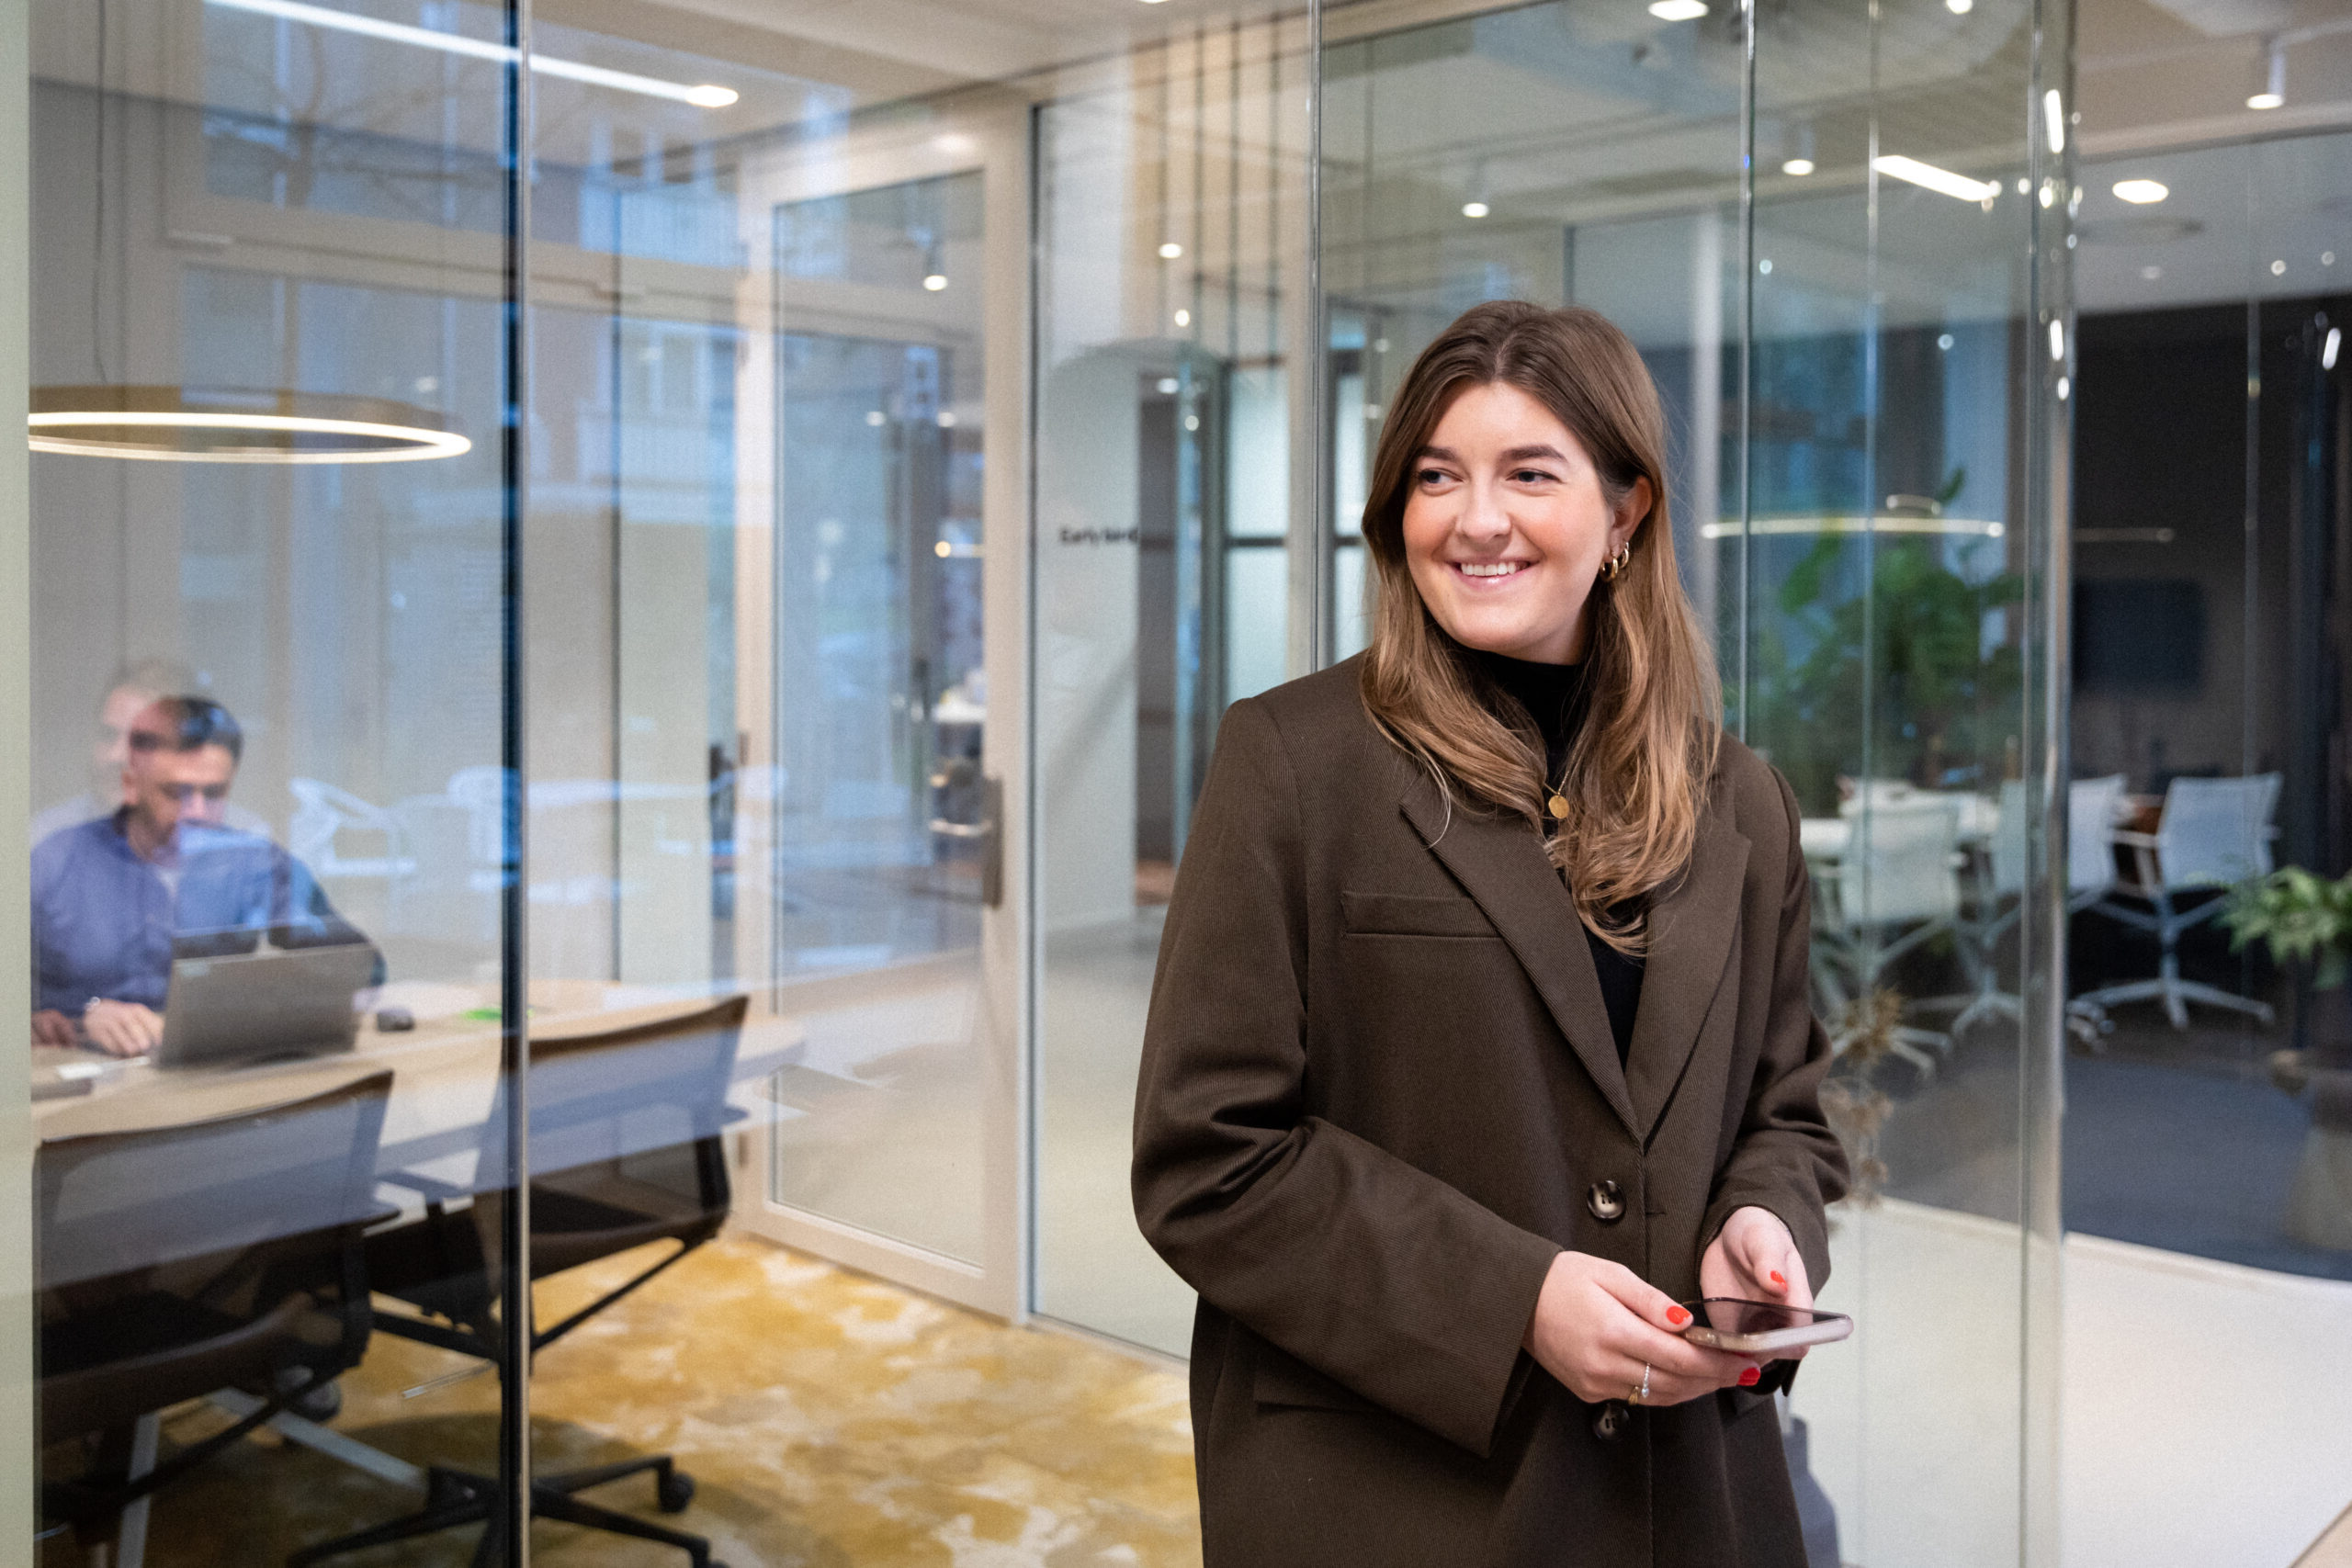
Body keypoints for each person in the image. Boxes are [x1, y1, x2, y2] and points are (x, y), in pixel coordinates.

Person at [1132, 301, 1848, 1567]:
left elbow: (1785, 1107)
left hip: (1686, 1487)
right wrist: (1514, 1297)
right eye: (1437, 476)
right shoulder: (1294, 762)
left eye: (1529, 473)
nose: (1475, 518)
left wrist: (1763, 1222)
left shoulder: (1741, 798)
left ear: (1627, 512)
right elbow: (1208, 1156)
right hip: (1401, 1483)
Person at [31, 696, 370, 1057]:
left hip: (213, 1079)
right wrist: (84, 1012)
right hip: (87, 1087)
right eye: (176, 793)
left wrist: (248, 1004)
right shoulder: (57, 862)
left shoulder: (253, 863)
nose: (196, 812)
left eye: (213, 794)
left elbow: (353, 967)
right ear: (131, 785)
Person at [30, 658, 268, 849]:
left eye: (142, 741)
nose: (116, 757)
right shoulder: (45, 841)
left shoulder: (244, 844)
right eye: (108, 735)